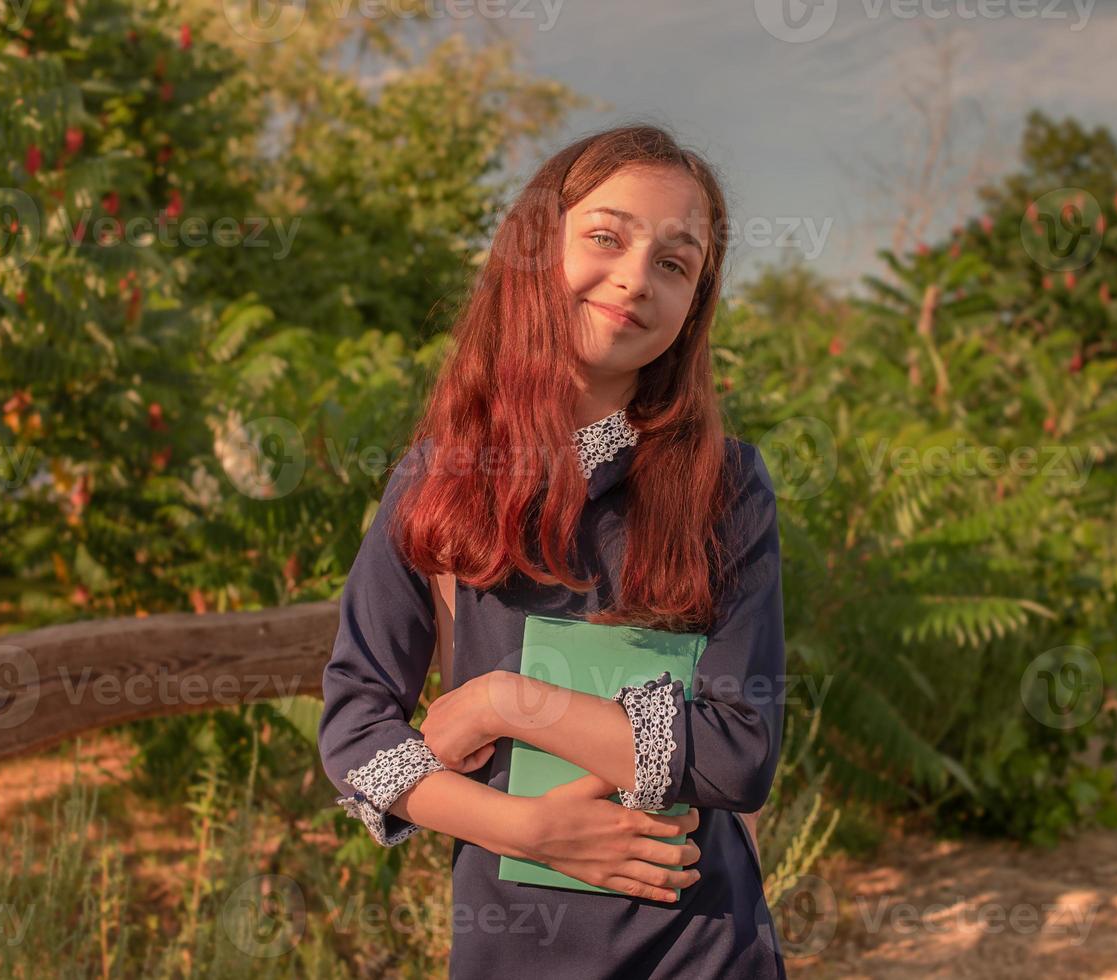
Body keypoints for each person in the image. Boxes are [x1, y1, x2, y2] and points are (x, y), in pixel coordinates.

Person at [318, 123, 788, 979]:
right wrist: (523, 829)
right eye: (606, 237)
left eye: (675, 264)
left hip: (702, 947)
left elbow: (739, 753)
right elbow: (354, 726)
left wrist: (502, 702)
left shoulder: (726, 487)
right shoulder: (439, 476)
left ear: (693, 308)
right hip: (511, 949)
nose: (633, 279)